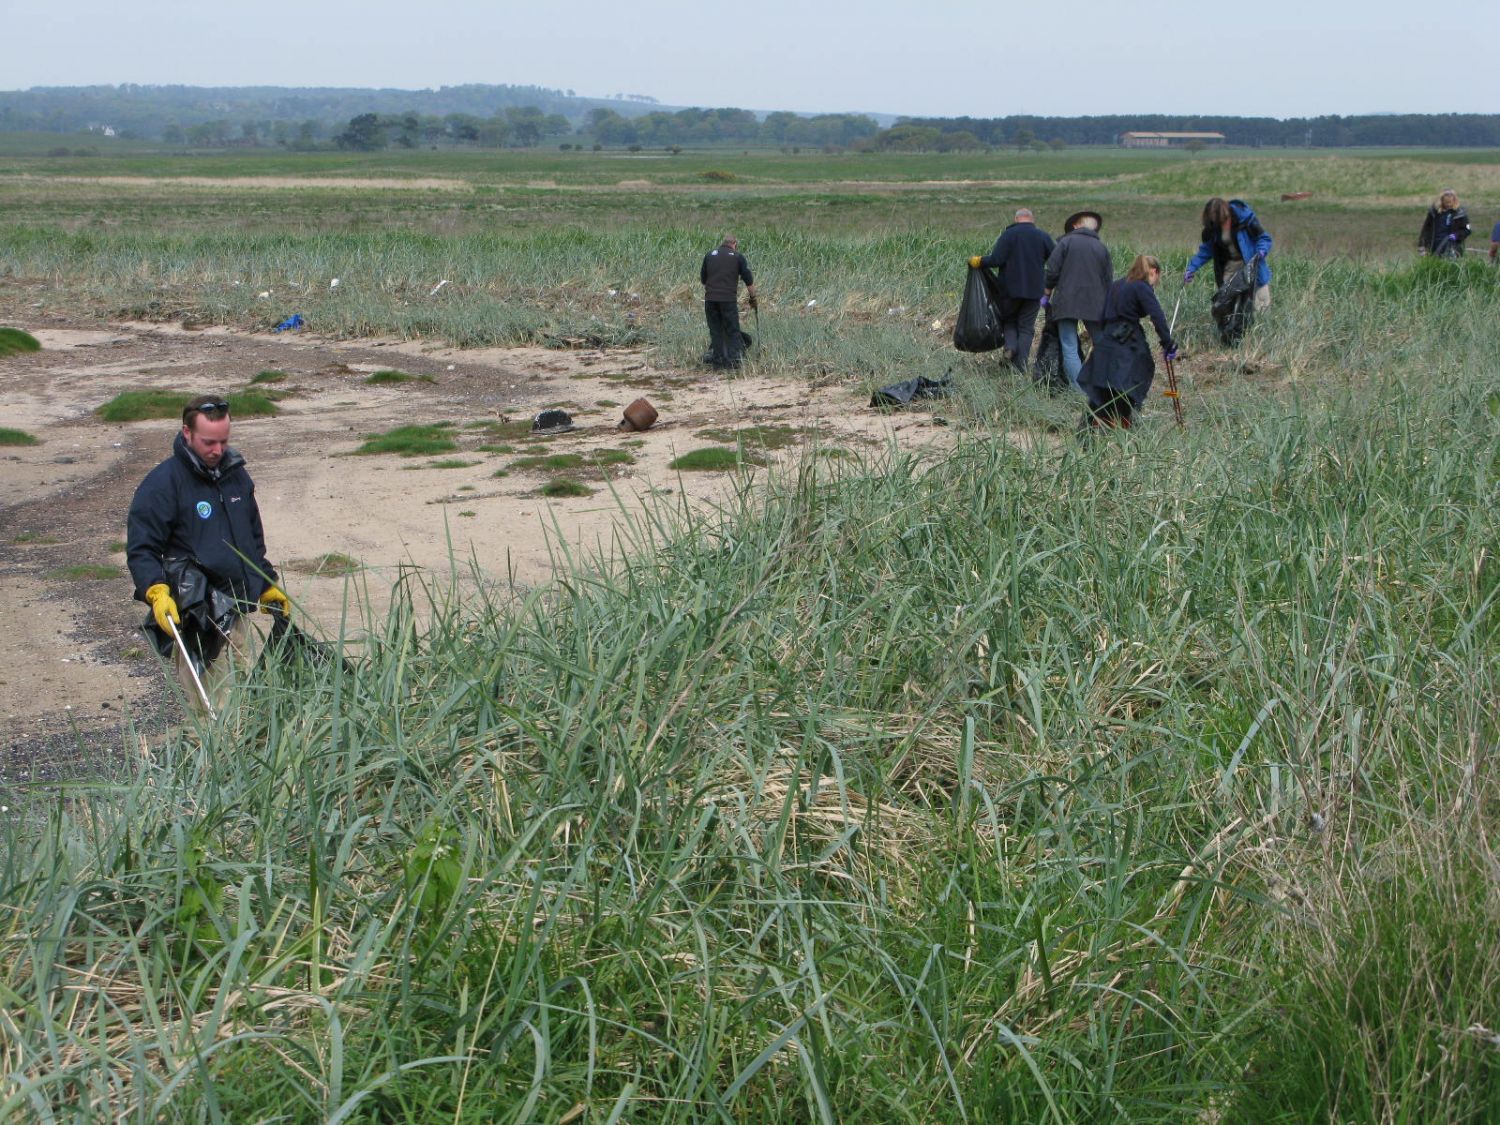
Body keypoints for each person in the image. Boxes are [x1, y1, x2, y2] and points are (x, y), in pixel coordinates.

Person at [127, 394, 288, 708]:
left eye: (223, 441)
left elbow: (250, 542)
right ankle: (209, 752)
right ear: (187, 433)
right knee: (213, 709)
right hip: (197, 615)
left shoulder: (236, 477)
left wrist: (266, 583)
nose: (217, 450)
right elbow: (141, 547)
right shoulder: (163, 484)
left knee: (250, 698)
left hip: (238, 607)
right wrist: (155, 591)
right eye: (208, 442)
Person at [1077, 255, 1178, 431]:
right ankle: (1123, 427)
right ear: (1153, 272)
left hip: (1106, 340)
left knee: (1102, 387)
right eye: (1156, 279)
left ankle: (1087, 432)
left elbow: (1102, 314)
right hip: (1127, 341)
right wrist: (1167, 343)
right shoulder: (1142, 286)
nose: (1155, 284)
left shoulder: (1116, 285)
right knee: (1131, 383)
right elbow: (1157, 316)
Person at [969, 207, 1056, 371]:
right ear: (1032, 220)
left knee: (1009, 321)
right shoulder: (1043, 236)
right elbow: (1055, 260)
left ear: (1016, 219)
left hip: (1009, 290)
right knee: (1026, 327)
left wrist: (979, 261)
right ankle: (1020, 366)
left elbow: (996, 259)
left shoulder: (1008, 235)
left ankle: (1010, 347)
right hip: (1034, 291)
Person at [1184, 197, 1272, 345]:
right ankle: (1232, 342)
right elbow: (1206, 250)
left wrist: (1262, 251)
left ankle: (1261, 343)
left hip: (1252, 265)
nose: (1217, 223)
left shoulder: (1245, 218)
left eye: (1219, 219)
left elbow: (1264, 238)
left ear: (1225, 213)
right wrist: (1192, 268)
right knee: (1226, 306)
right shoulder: (1213, 228)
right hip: (1230, 268)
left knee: (1260, 305)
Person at [1042, 211, 1112, 391]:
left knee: (1069, 346)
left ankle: (1079, 391)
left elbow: (1051, 271)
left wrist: (1046, 293)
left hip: (1066, 302)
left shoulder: (1065, 242)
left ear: (1075, 225)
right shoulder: (1101, 248)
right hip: (1095, 304)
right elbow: (1108, 280)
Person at [700, 235, 757, 369]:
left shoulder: (709, 255)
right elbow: (748, 280)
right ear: (734, 244)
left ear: (723, 243)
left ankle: (718, 362)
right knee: (732, 330)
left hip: (710, 300)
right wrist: (753, 298)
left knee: (715, 330)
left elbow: (703, 279)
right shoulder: (737, 257)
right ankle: (734, 361)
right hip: (728, 300)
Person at [1417, 190, 1471, 259]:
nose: (1448, 205)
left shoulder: (1460, 214)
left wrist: (1456, 236)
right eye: (1446, 202)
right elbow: (1425, 229)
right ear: (1442, 201)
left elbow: (1467, 229)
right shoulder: (1433, 213)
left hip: (1452, 249)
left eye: (1450, 202)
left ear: (1454, 201)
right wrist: (1422, 245)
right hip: (1434, 247)